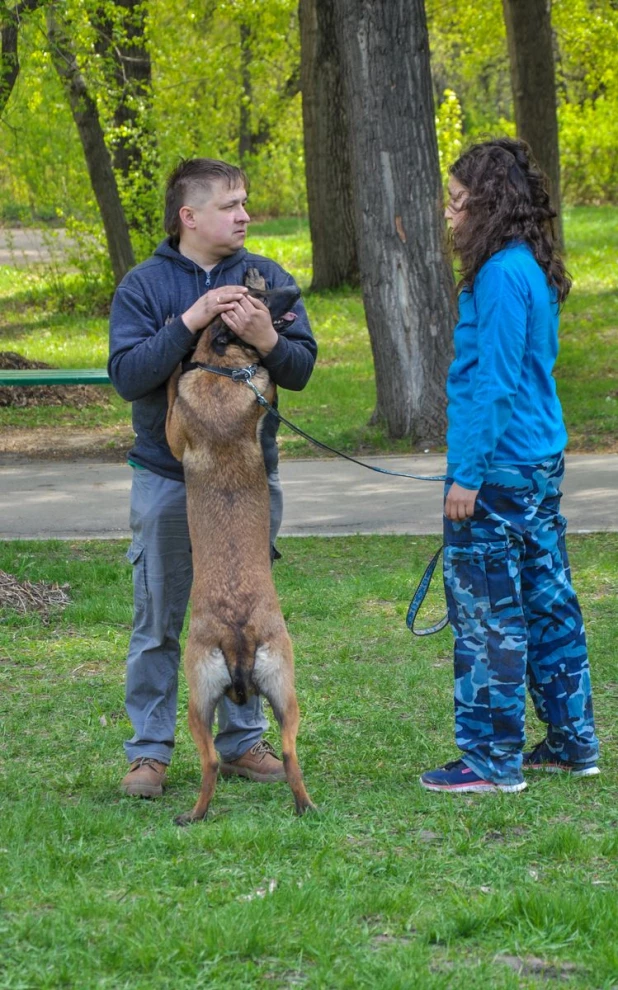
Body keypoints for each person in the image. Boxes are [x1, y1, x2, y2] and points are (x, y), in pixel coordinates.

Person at [108, 158, 317, 798]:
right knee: (161, 618)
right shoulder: (144, 288)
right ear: (189, 216)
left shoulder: (268, 280)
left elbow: (302, 367)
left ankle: (244, 742)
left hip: (250, 480)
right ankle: (149, 753)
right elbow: (127, 376)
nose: (245, 215)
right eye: (231, 205)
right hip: (168, 478)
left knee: (243, 604)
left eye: (245, 203)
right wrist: (191, 321)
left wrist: (267, 337)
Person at [420, 138, 600, 794]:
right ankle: (571, 742)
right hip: (536, 460)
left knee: (490, 611)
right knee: (548, 601)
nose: (450, 215)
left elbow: (493, 383)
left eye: (458, 202)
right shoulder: (528, 265)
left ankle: (492, 760)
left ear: (488, 203)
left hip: (497, 469)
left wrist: (466, 473)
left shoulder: (499, 274)